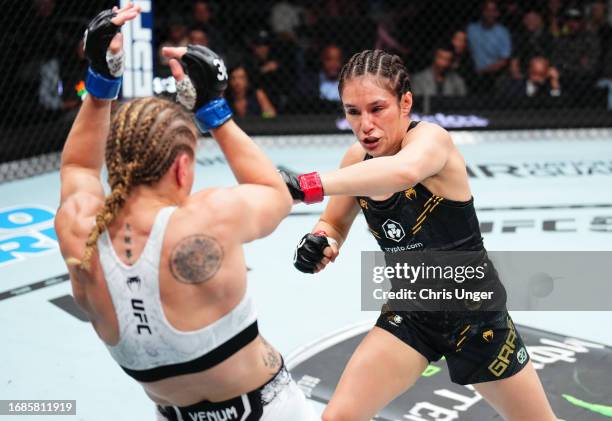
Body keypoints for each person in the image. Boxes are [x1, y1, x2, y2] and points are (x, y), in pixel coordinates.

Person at [54, 5, 317, 420]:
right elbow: (274, 192)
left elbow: (78, 167)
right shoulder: (208, 218)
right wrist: (214, 110)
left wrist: (101, 81)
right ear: (181, 167)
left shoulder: (78, 227)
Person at [280, 49, 557, 421]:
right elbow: (334, 222)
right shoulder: (354, 162)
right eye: (353, 111)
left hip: (474, 316)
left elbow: (401, 173)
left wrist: (304, 186)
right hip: (412, 312)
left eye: (377, 108)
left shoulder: (431, 141)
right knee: (338, 418)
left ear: (405, 102)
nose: (365, 125)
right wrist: (321, 240)